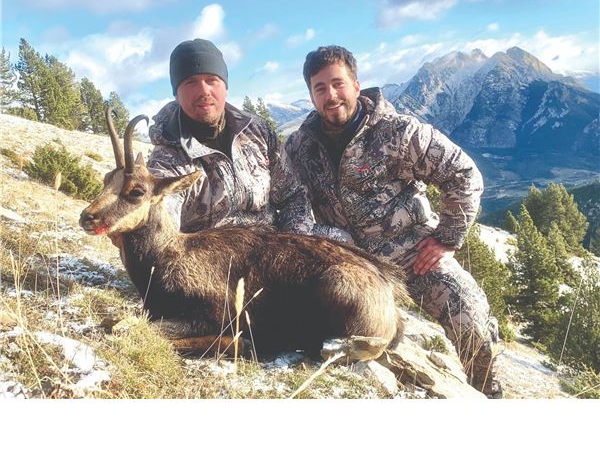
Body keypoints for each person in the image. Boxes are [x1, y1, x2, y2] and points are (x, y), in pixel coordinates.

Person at [285, 45, 502, 398]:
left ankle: (487, 394)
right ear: (311, 96)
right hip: (348, 266)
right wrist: (318, 238)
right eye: (320, 88)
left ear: (356, 85)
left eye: (338, 84)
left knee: (470, 316)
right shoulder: (298, 148)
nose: (331, 95)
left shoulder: (397, 132)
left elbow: (463, 174)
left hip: (413, 256)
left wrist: (448, 237)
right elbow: (289, 200)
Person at [146, 38, 313, 235]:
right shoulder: (166, 161)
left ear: (225, 86)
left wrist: (294, 241)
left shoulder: (257, 131)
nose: (204, 91)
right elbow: (161, 225)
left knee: (339, 241)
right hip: (210, 253)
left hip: (275, 243)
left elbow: (293, 194)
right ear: (176, 94)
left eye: (211, 80)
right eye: (190, 82)